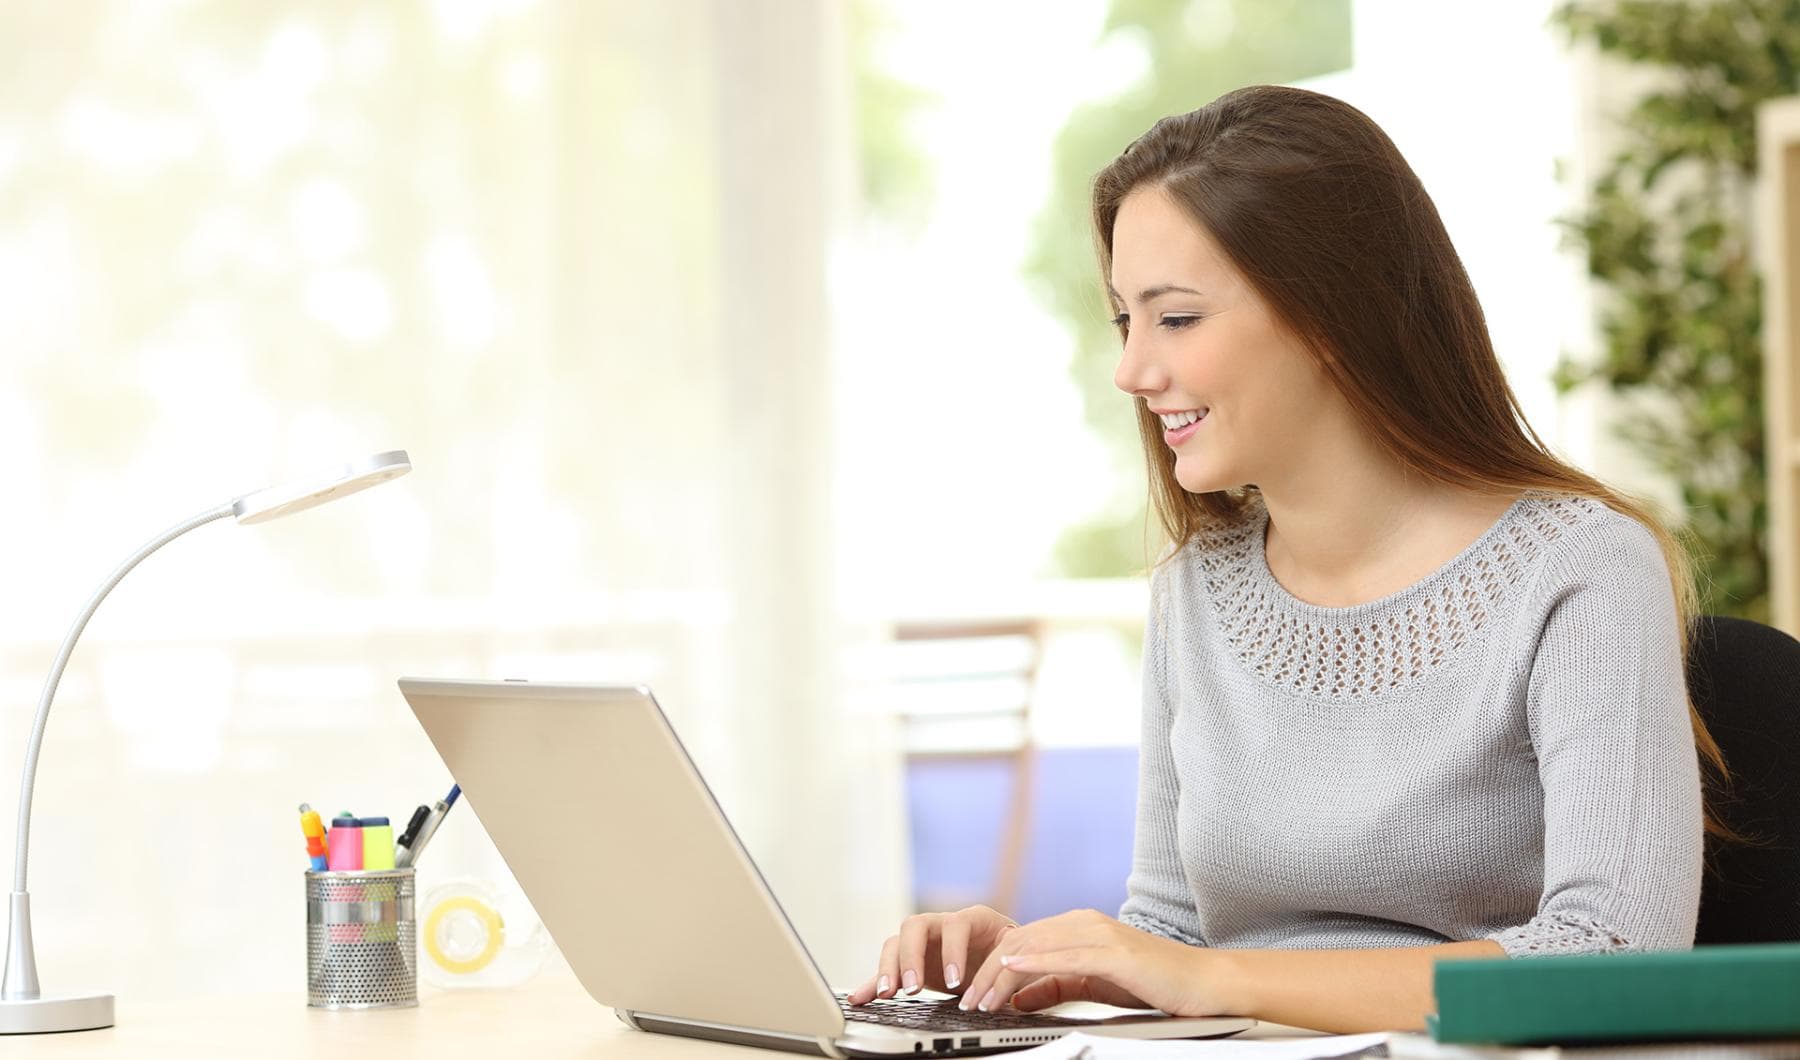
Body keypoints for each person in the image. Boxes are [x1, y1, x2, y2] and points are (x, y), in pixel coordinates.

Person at [845, 84, 1735, 1034]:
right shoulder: (1196, 591)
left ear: (1329, 318)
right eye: (1124, 321)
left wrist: (1221, 981)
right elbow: (1173, 929)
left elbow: (1616, 950)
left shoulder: (1580, 569)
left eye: (1175, 318)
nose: (1133, 370)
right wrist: (1039, 966)